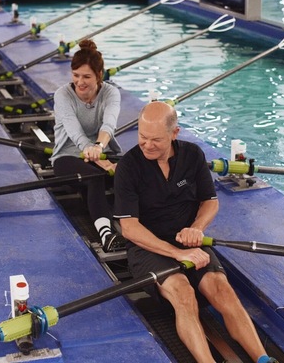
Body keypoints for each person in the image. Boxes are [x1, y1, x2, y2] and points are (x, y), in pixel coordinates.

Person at [113, 101, 274, 363]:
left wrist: (196, 229)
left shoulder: (193, 155)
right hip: (148, 247)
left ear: (174, 133)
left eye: (156, 139)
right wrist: (176, 253)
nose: (147, 145)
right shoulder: (128, 167)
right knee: (184, 294)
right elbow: (130, 228)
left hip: (187, 240)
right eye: (142, 137)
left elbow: (210, 201)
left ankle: (264, 360)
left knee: (222, 289)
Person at [50, 39, 126, 252]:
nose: (80, 82)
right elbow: (75, 132)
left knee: (134, 169)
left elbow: (109, 124)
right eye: (75, 76)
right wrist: (94, 154)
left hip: (103, 152)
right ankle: (106, 234)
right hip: (67, 156)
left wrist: (100, 148)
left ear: (99, 75)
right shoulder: (63, 94)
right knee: (95, 178)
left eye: (86, 77)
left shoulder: (111, 93)